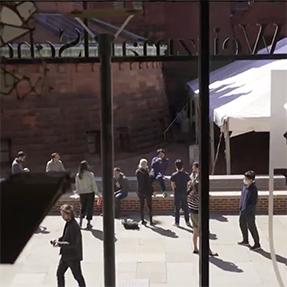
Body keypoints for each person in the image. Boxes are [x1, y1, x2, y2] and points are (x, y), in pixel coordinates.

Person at [187, 162, 218, 256]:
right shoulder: (198, 194)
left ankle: (195, 248)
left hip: (192, 212)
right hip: (199, 212)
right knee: (203, 232)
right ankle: (207, 250)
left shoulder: (190, 192)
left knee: (195, 231)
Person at [51, 204, 86, 287]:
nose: (62, 216)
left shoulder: (74, 226)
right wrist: (58, 240)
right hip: (66, 256)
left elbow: (73, 243)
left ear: (68, 214)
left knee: (77, 276)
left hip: (73, 257)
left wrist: (59, 244)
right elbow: (66, 236)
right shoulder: (68, 223)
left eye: (63, 214)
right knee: (59, 273)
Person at [238, 170, 261, 250]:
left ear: (251, 180)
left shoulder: (253, 189)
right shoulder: (245, 186)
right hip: (242, 210)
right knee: (242, 224)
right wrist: (240, 207)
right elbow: (242, 197)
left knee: (251, 227)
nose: (245, 179)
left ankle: (257, 244)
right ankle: (245, 240)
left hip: (249, 212)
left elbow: (253, 202)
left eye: (246, 178)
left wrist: (247, 210)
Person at [75, 160, 100, 229]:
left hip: (82, 193)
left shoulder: (78, 175)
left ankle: (80, 222)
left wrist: (78, 192)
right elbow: (93, 185)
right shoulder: (90, 174)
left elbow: (77, 185)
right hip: (90, 193)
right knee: (89, 208)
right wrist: (98, 193)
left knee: (82, 208)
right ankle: (88, 223)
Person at [170, 159, 191, 227]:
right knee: (185, 208)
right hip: (184, 192)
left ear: (176, 166)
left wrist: (174, 191)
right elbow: (189, 183)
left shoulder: (173, 175)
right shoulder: (186, 174)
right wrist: (187, 190)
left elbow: (173, 185)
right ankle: (187, 222)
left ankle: (177, 223)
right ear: (183, 166)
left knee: (177, 208)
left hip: (177, 193)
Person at [136, 159, 153, 225]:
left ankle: (143, 220)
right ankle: (150, 221)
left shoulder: (138, 172)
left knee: (142, 206)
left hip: (141, 191)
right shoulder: (146, 172)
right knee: (149, 206)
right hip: (147, 191)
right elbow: (148, 182)